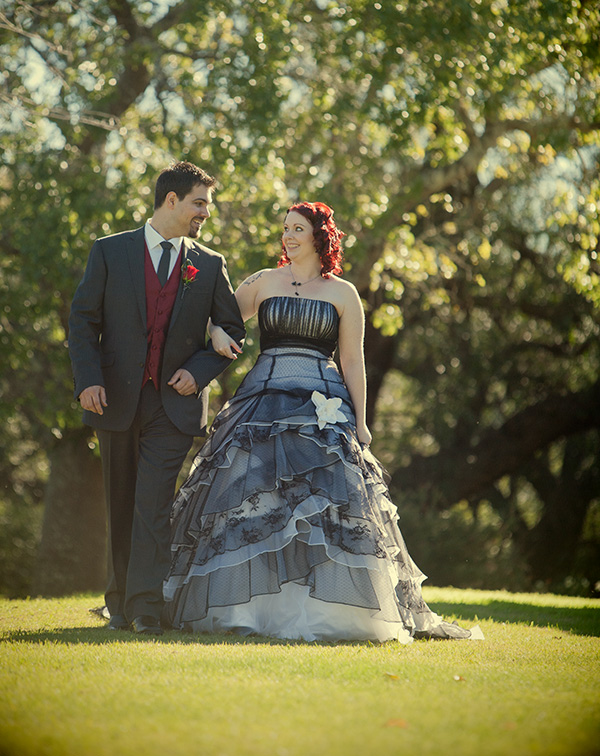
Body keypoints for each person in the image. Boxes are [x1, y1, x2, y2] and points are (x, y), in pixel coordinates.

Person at [163, 201, 483, 642]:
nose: (288, 236)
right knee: (253, 499)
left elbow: (353, 360)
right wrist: (219, 332)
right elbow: (222, 321)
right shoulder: (261, 282)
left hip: (323, 406)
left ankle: (323, 612)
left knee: (324, 506)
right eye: (285, 229)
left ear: (319, 236)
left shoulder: (343, 293)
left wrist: (363, 422)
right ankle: (249, 609)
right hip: (261, 404)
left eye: (297, 229)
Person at [68, 161, 245, 636]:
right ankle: (119, 605)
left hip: (174, 405)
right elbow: (83, 320)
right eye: (199, 203)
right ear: (172, 200)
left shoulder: (209, 264)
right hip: (114, 400)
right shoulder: (110, 252)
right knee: (120, 503)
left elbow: (232, 330)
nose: (205, 213)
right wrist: (87, 380)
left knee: (153, 505)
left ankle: (146, 607)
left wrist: (201, 369)